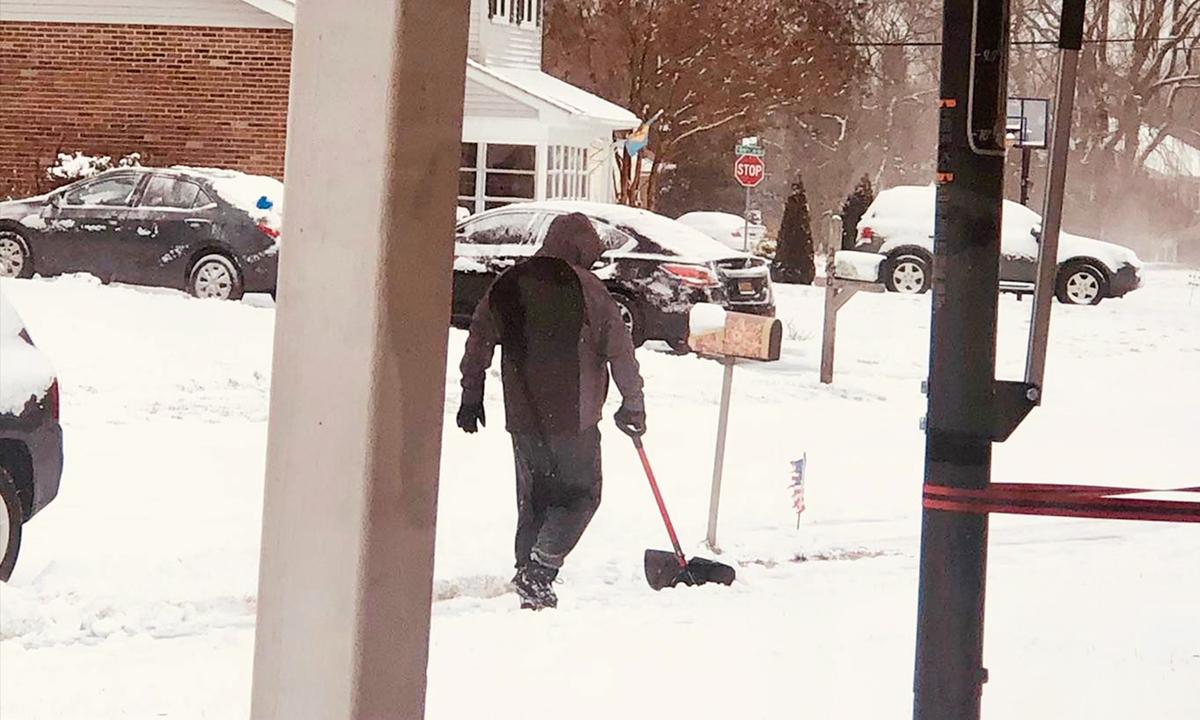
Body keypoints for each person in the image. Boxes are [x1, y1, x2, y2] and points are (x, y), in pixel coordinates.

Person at [457, 212, 646, 611]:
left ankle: (528, 572)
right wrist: (633, 404)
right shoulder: (589, 289)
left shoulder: (509, 282)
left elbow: (478, 338)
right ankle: (538, 572)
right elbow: (620, 351)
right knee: (582, 495)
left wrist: (470, 395)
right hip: (573, 417)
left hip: (523, 417)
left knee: (535, 498)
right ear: (580, 249)